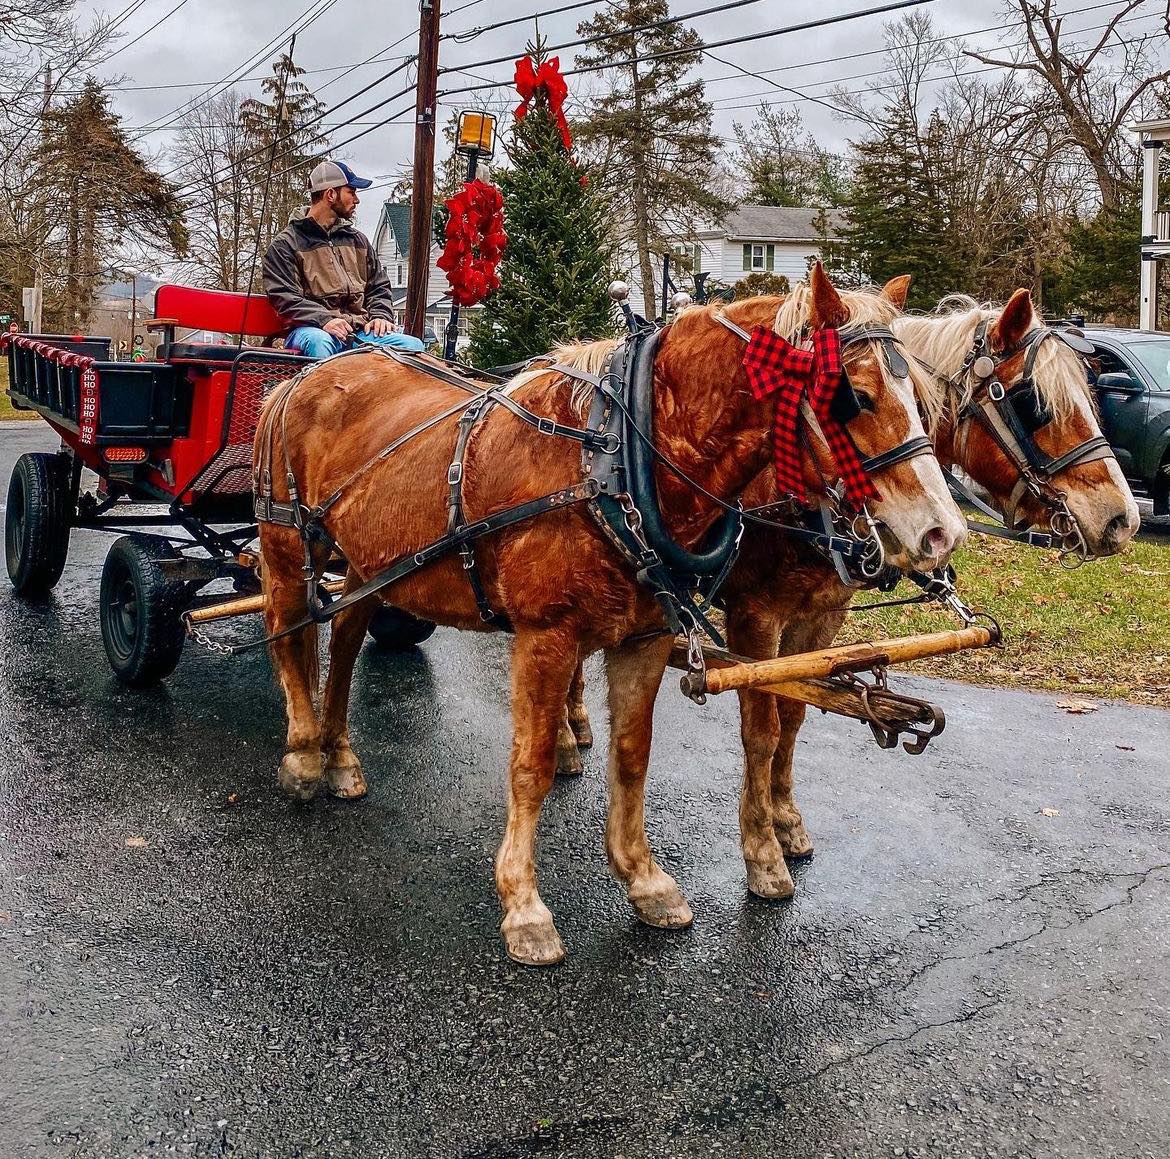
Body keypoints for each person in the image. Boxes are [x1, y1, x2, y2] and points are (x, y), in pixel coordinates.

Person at [262, 159, 424, 359]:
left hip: (358, 331)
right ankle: (323, 381)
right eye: (351, 192)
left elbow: (378, 286)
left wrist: (380, 316)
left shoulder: (358, 241)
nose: (357, 200)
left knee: (412, 346)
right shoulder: (286, 245)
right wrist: (324, 320)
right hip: (310, 330)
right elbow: (284, 297)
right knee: (320, 342)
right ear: (331, 194)